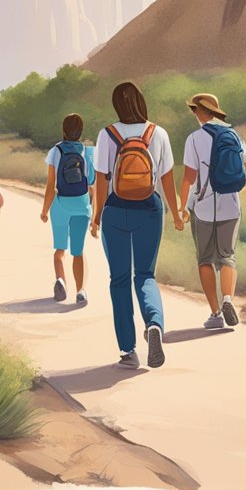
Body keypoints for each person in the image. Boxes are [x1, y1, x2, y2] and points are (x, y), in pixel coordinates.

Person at [92, 81, 184, 369]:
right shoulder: (158, 134)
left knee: (119, 280)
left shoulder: (107, 135)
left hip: (115, 211)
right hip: (149, 209)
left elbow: (101, 181)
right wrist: (177, 213)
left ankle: (127, 351)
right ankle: (154, 324)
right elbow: (167, 179)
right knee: (145, 275)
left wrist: (96, 217)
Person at [178, 93, 246, 329]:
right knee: (227, 257)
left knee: (205, 260)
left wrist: (182, 208)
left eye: (194, 110)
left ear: (200, 111)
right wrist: (231, 189)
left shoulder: (194, 139)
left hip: (203, 208)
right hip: (231, 206)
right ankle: (229, 299)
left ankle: (215, 313)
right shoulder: (234, 135)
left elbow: (189, 178)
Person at [40, 113, 96, 305]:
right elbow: (93, 182)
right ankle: (80, 291)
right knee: (78, 252)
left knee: (59, 250)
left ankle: (61, 280)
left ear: (63, 129)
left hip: (60, 204)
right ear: (80, 131)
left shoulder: (55, 151)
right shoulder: (87, 151)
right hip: (81, 205)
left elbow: (50, 185)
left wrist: (45, 210)